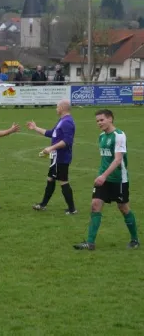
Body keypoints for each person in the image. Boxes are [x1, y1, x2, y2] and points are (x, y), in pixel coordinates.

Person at [74, 109, 140, 250]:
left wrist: (104, 175)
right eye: (97, 121)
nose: (99, 123)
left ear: (110, 119)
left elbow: (118, 159)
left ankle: (135, 239)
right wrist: (101, 175)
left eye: (102, 120)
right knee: (95, 205)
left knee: (123, 207)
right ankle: (90, 243)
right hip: (103, 179)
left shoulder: (119, 135)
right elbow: (105, 159)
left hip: (118, 179)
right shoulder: (101, 136)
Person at [28, 99, 77, 214]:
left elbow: (67, 141)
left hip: (62, 157)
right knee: (50, 179)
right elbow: (51, 133)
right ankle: (43, 204)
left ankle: (72, 209)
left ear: (61, 108)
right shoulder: (62, 120)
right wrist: (35, 128)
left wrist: (51, 148)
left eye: (57, 107)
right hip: (56, 157)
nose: (56, 109)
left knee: (63, 181)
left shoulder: (67, 122)